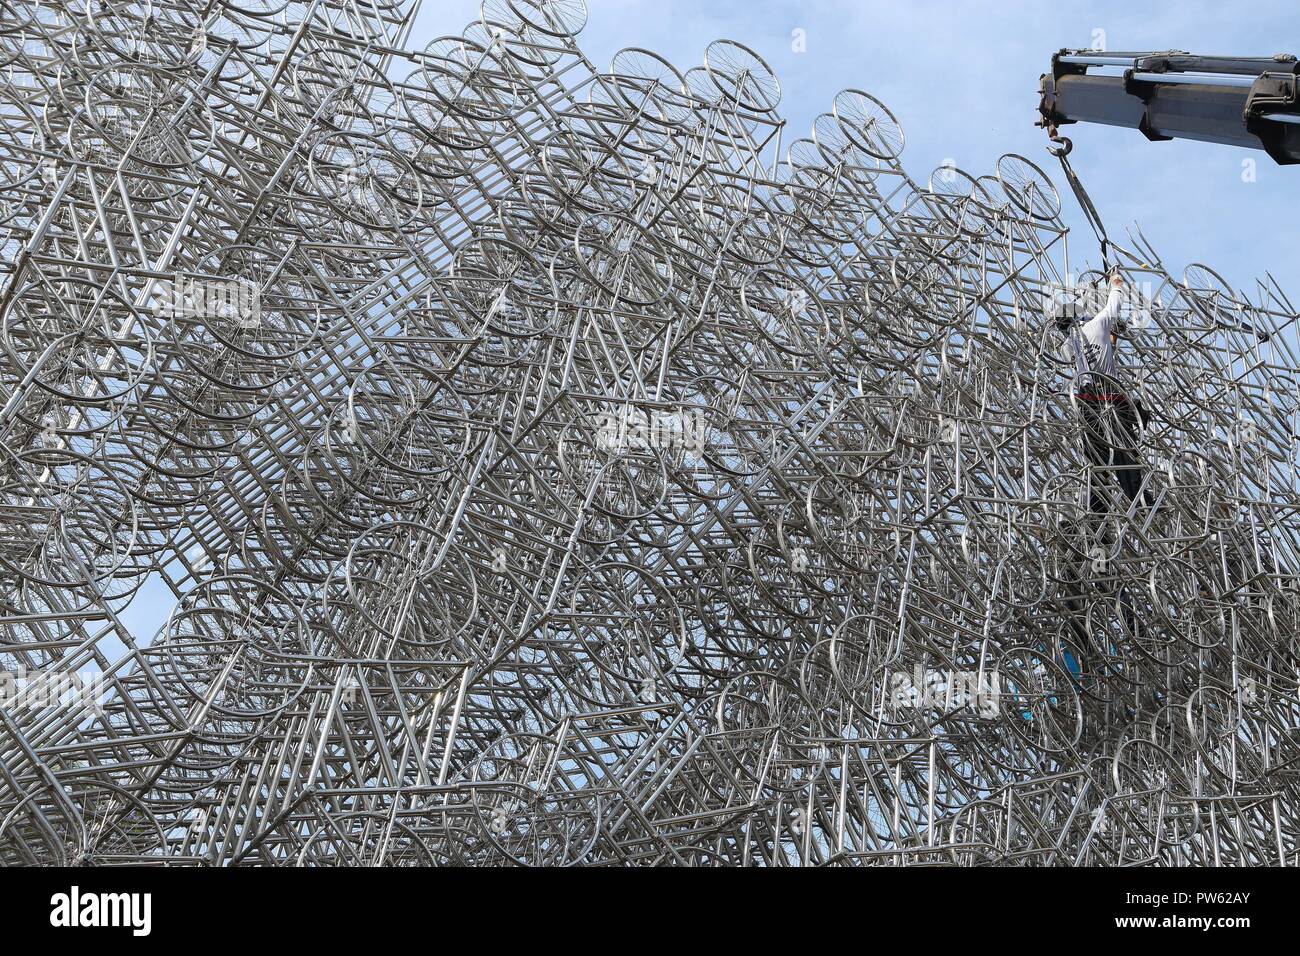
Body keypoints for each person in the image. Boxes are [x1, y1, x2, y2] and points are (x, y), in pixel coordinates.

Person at [1053, 272, 1151, 514]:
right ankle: (1140, 500)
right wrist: (1116, 282)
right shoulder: (1096, 324)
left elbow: (1099, 350)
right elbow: (1113, 306)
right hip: (1111, 397)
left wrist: (1111, 339)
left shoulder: (1067, 347)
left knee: (1096, 461)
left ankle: (1097, 516)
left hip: (1088, 403)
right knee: (1125, 451)